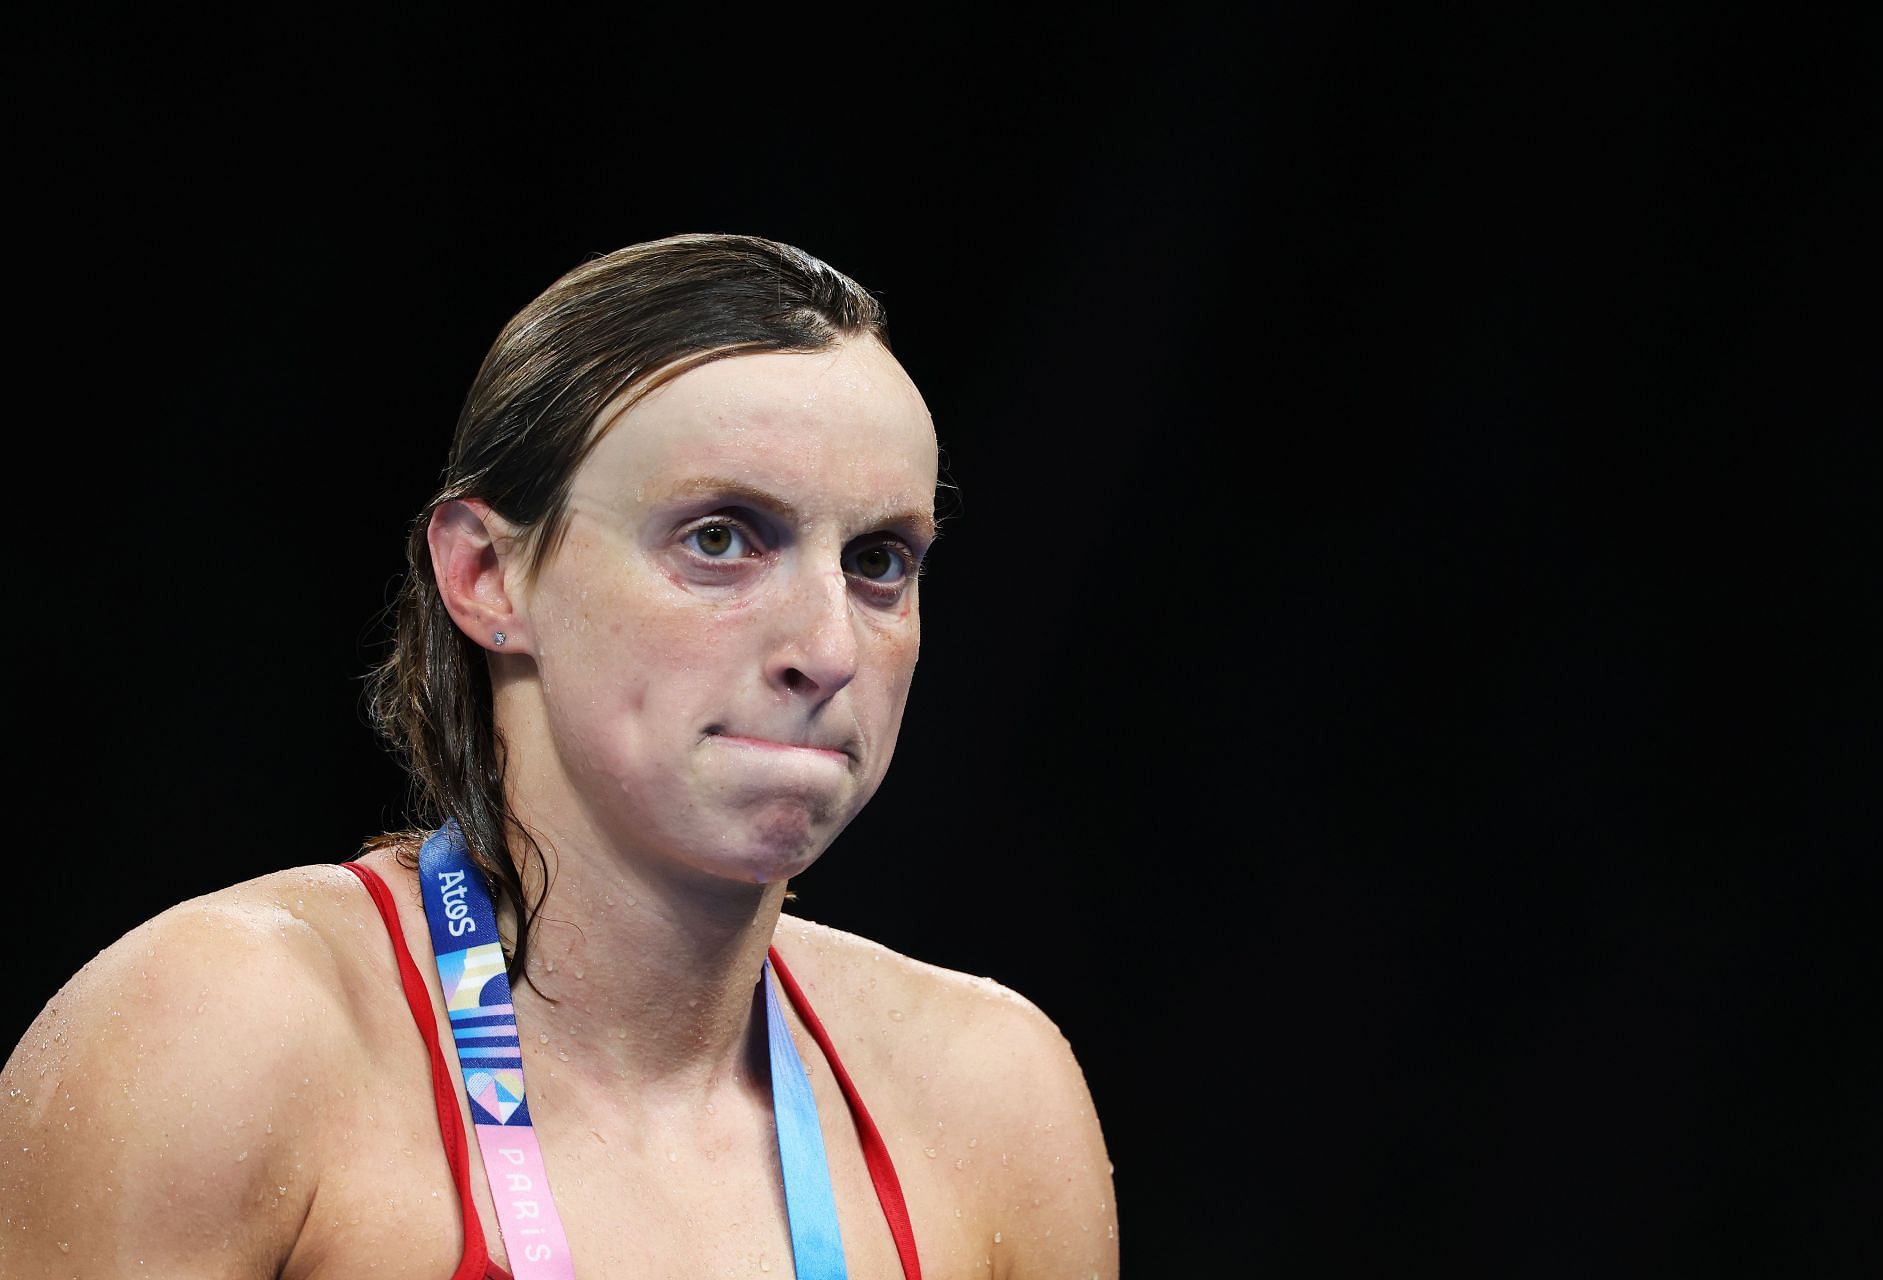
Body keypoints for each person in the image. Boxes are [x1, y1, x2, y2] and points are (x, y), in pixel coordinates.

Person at [0, 235, 1117, 1279]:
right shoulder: (222, 1039)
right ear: (487, 574)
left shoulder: (990, 1102)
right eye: (720, 537)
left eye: (879, 560)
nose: (827, 647)